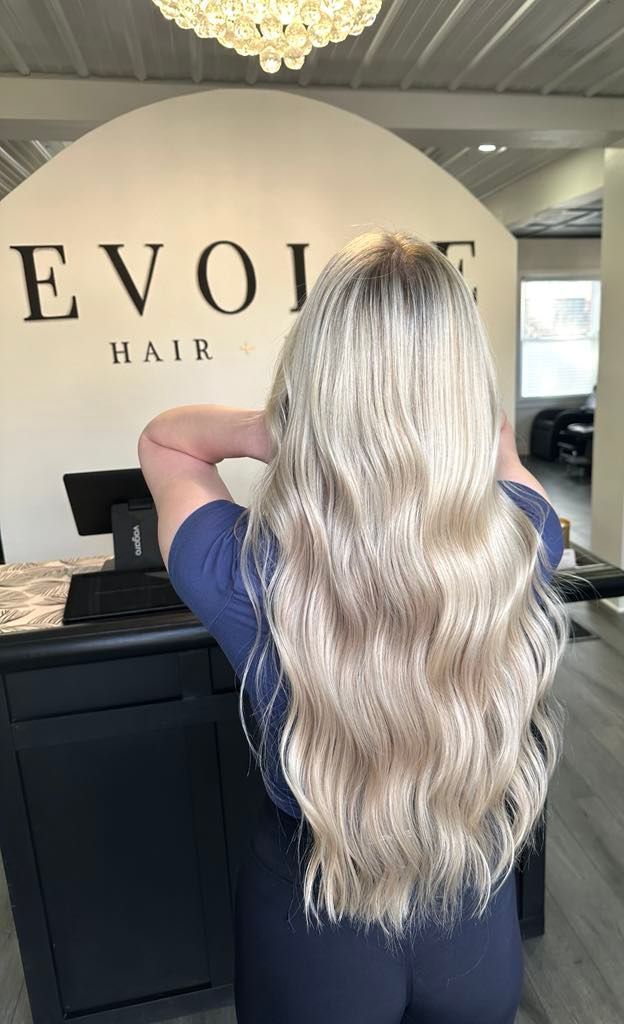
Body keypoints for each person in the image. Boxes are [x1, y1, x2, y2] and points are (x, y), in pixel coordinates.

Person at [138, 230, 568, 1024]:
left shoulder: (236, 567)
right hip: (472, 915)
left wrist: (275, 431)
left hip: (313, 919)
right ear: (463, 389)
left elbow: (165, 438)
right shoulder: (526, 538)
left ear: (311, 381)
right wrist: (448, 420)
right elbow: (501, 446)